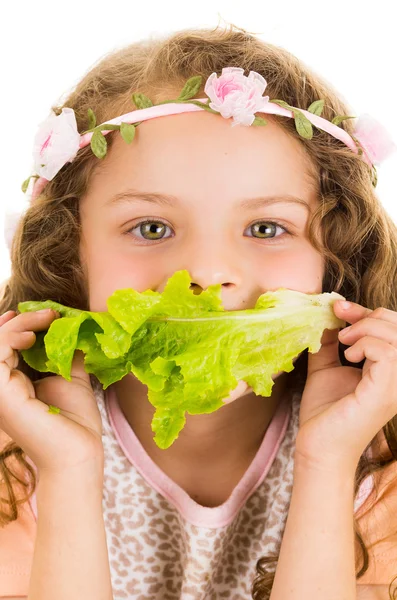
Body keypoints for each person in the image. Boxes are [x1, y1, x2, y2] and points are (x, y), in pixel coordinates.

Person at [0, 22, 397, 600]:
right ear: (69, 252)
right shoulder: (18, 457)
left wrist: (328, 462)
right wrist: (66, 471)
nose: (208, 273)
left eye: (266, 227)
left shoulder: (375, 460)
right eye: (151, 227)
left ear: (337, 256)